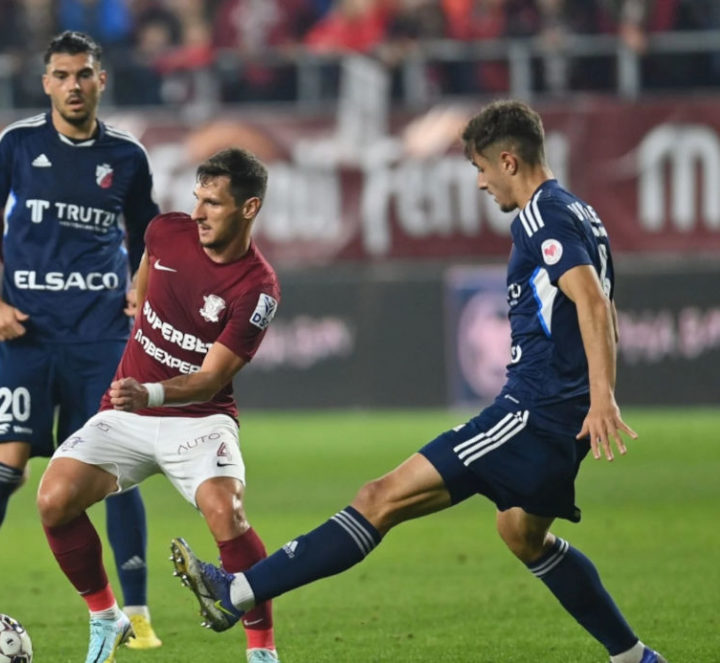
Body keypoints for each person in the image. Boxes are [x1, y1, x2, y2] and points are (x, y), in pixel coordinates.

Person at [170, 101, 669, 663]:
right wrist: (591, 397)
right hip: (560, 413)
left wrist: (600, 398)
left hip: (532, 410)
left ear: (509, 160)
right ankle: (635, 658)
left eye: (481, 168)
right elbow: (606, 307)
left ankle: (234, 592)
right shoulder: (583, 212)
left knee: (378, 498)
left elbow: (593, 303)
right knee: (521, 534)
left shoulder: (540, 216)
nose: (480, 183)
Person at [0, 30, 162, 648]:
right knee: (6, 464)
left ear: (101, 80)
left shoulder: (126, 156)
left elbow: (151, 236)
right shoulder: (17, 145)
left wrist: (141, 289)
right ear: (46, 82)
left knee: (115, 470)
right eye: (62, 75)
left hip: (101, 337)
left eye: (84, 75)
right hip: (29, 335)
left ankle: (138, 612)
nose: (74, 86)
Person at [37, 147, 282, 663]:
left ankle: (262, 651)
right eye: (197, 199)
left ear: (249, 208)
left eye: (213, 204)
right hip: (126, 415)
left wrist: (150, 391)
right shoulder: (166, 232)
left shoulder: (257, 289)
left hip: (198, 419)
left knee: (226, 513)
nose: (197, 214)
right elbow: (146, 279)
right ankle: (107, 617)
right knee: (53, 500)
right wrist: (139, 303)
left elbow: (213, 377)